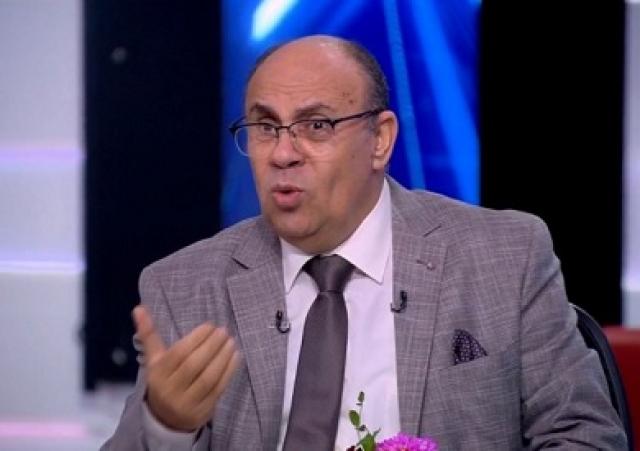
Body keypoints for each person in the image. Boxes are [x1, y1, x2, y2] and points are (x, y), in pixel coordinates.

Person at [102, 35, 627, 450]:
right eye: (265, 127)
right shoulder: (185, 286)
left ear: (380, 140)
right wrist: (165, 424)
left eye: (316, 125)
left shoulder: (506, 256)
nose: (282, 154)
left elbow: (584, 435)